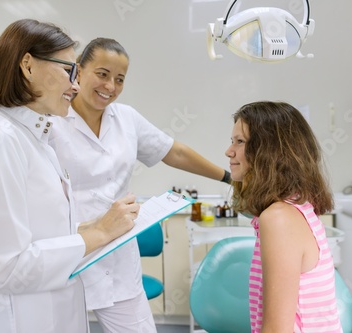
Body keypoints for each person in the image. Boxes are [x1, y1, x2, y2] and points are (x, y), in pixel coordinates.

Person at [0, 19, 140, 333]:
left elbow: (38, 233)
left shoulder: (33, 137)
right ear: (27, 65)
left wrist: (95, 225)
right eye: (69, 71)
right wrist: (98, 234)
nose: (75, 86)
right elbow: (8, 268)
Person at [48, 37, 231, 332]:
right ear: (79, 70)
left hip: (118, 253)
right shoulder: (52, 119)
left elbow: (174, 152)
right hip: (71, 247)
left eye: (119, 79)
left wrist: (227, 176)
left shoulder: (126, 119)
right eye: (102, 74)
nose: (110, 86)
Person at [225, 101, 342, 333]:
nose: (229, 151)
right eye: (232, 141)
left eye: (240, 142)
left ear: (269, 151)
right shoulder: (298, 206)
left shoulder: (279, 219)